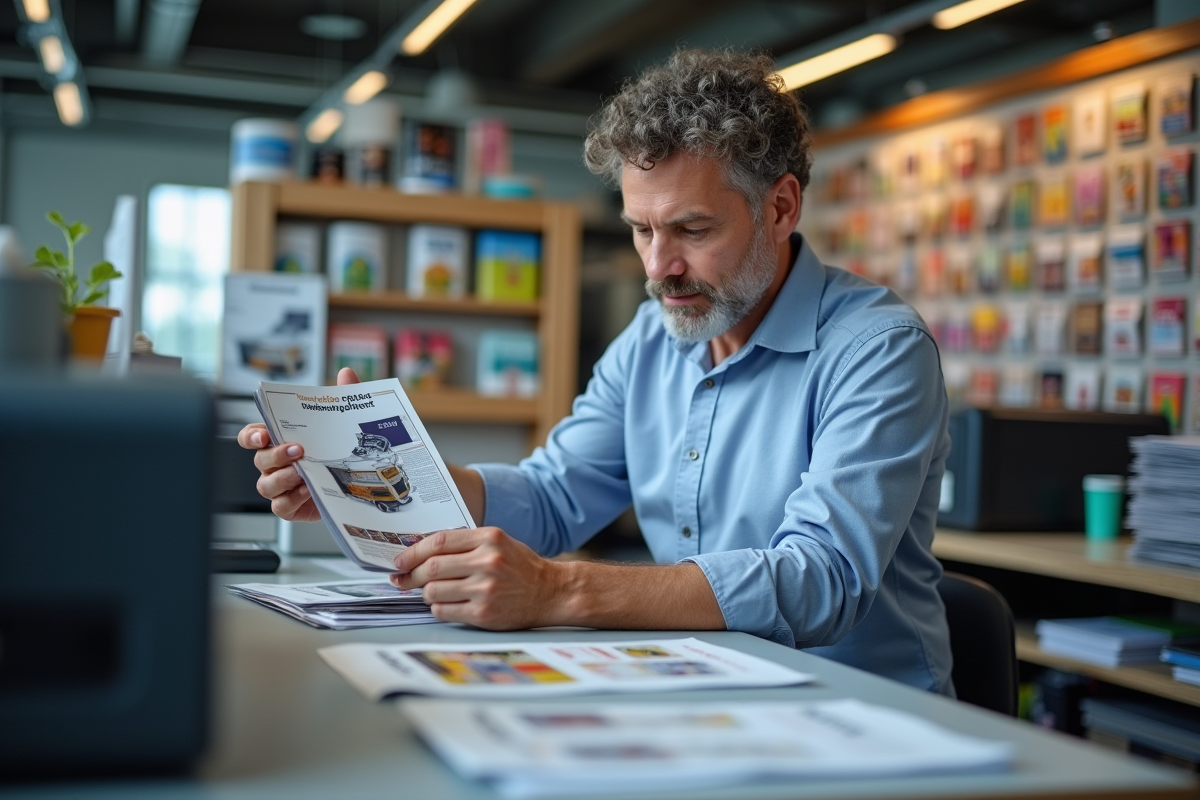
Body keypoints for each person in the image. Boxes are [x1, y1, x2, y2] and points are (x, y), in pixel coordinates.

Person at [240, 49, 953, 694]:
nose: (658, 268)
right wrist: (373, 486)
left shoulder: (878, 350)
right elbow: (553, 497)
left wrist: (559, 590)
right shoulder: (653, 338)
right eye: (642, 229)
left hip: (858, 712)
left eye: (692, 231)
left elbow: (819, 580)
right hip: (708, 693)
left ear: (781, 206)